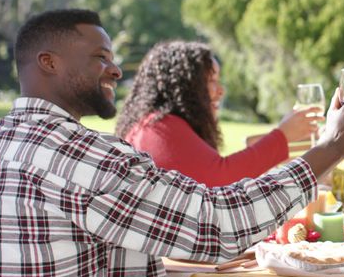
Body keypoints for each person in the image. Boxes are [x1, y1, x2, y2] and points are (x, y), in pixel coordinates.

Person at [0, 8, 344, 277]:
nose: (115, 69)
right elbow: (221, 222)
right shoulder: (84, 159)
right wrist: (332, 146)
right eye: (99, 57)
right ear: (49, 62)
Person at [115, 41, 323, 187]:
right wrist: (283, 136)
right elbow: (221, 178)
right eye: (211, 81)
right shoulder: (159, 128)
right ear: (186, 86)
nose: (220, 90)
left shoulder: (158, 124)